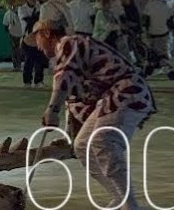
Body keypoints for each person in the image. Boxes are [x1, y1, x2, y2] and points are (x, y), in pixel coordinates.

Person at [33, 19, 155, 210]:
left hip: (127, 93)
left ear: (47, 34)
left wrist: (52, 110)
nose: (37, 47)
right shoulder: (71, 55)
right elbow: (73, 100)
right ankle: (119, 197)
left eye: (37, 39)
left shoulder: (68, 43)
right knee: (82, 145)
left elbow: (63, 78)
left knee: (102, 141)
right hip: (111, 98)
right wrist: (67, 134)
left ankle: (130, 205)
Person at [142, 0, 174, 68]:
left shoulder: (149, 5)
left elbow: (146, 19)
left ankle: (155, 64)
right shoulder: (166, 5)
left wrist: (146, 30)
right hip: (164, 30)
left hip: (152, 30)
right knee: (163, 49)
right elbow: (170, 18)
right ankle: (165, 64)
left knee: (153, 49)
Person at [2, 0, 28, 71]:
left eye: (11, 2)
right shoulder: (7, 13)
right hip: (13, 33)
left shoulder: (20, 11)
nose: (10, 4)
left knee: (22, 49)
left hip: (21, 32)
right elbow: (5, 24)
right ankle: (16, 65)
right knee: (14, 50)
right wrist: (9, 33)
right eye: (8, 3)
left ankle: (23, 63)